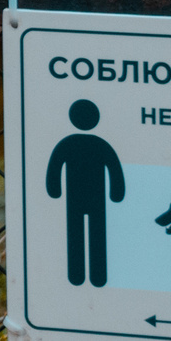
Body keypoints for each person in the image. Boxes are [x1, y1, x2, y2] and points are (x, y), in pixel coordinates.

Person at [46, 99, 125, 287]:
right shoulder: (99, 144)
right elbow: (114, 170)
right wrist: (116, 192)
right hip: (93, 198)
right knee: (90, 234)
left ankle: (80, 275)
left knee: (81, 233)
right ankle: (91, 276)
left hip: (78, 198)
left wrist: (54, 189)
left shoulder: (68, 143)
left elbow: (55, 168)